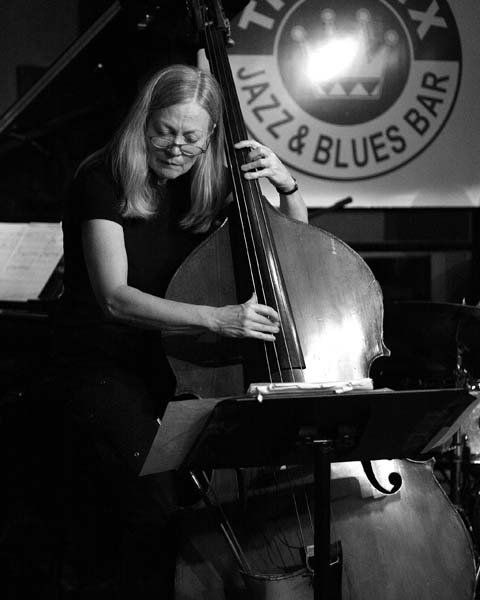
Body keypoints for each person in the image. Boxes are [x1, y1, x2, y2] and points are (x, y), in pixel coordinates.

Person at [46, 63, 307, 599]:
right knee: (153, 507)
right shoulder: (101, 179)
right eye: (165, 131)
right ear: (143, 122)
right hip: (103, 365)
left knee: (211, 501)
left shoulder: (207, 183)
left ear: (211, 135)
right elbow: (115, 298)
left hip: (178, 367)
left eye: (192, 137)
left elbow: (289, 250)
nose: (177, 147)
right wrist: (219, 318)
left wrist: (288, 186)